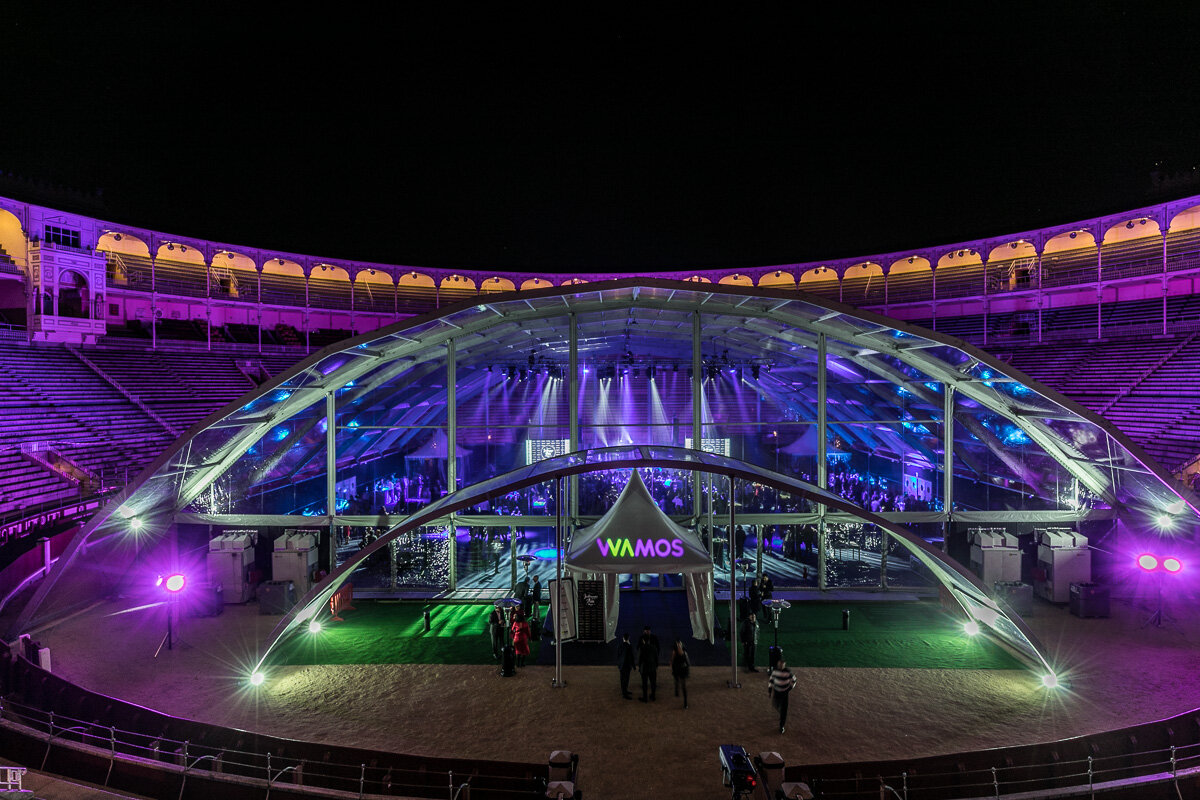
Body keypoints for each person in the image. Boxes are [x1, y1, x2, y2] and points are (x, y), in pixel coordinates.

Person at [768, 655, 797, 734]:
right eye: (779, 664)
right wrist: (770, 690)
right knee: (776, 705)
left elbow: (794, 680)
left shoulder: (788, 672)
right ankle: (781, 714)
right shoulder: (775, 671)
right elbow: (771, 680)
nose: (780, 666)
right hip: (777, 692)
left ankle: (781, 726)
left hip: (784, 693)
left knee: (784, 709)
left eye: (781, 665)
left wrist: (789, 688)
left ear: (784, 665)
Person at [636, 624, 660, 702]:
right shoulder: (653, 646)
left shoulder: (642, 645)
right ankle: (653, 696)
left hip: (645, 666)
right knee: (653, 682)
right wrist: (656, 664)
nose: (647, 632)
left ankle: (645, 697)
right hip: (652, 665)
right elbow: (657, 652)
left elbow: (639, 653)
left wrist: (639, 666)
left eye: (648, 631)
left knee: (645, 683)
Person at [670, 639, 690, 709]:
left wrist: (687, 672)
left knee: (683, 686)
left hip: (682, 670)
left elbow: (687, 663)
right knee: (676, 680)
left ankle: (685, 702)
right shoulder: (675, 652)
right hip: (678, 669)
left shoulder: (684, 653)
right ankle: (677, 690)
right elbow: (672, 661)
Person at [616, 632, 634, 699]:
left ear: (623, 638)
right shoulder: (629, 646)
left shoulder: (619, 645)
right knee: (626, 679)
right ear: (629, 638)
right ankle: (625, 694)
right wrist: (633, 666)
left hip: (621, 666)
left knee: (623, 679)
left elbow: (618, 655)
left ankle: (624, 691)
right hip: (627, 666)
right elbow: (631, 657)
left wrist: (619, 664)